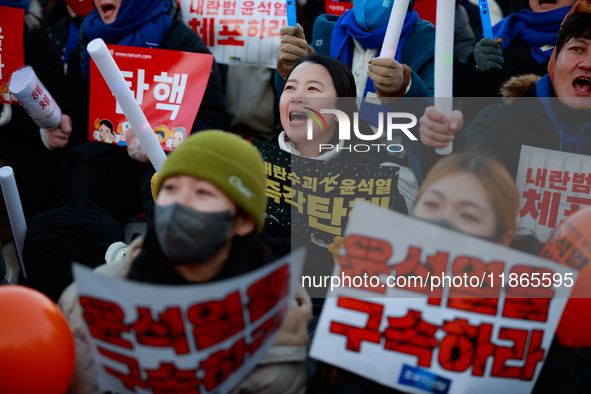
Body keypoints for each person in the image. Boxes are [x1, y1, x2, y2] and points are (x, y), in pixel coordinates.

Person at [59, 130, 312, 394]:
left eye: (203, 192)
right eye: (171, 188)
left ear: (244, 221)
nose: (180, 204)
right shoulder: (87, 302)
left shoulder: (277, 337)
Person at [44, 0, 228, 224]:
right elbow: (81, 116)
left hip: (165, 163)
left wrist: (162, 142)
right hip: (110, 166)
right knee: (87, 167)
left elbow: (213, 118)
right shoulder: (87, 41)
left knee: (160, 177)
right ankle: (98, 251)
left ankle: (157, 255)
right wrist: (60, 127)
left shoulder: (182, 41)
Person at [419, 0, 591, 180]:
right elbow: (454, 175)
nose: (587, 64)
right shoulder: (502, 119)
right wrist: (441, 143)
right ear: (554, 61)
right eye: (576, 49)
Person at [275, 0, 435, 183]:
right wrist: (295, 68)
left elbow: (437, 118)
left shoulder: (425, 41)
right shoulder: (327, 32)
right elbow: (290, 107)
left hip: (394, 169)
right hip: (325, 159)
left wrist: (406, 88)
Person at [268, 53, 416, 214]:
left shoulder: (374, 181)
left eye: (313, 88)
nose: (296, 98)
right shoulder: (259, 164)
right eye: (290, 87)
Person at [464, 0, 576, 98]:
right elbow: (475, 110)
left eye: (578, 49)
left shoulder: (587, 35)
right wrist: (481, 72)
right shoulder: (504, 35)